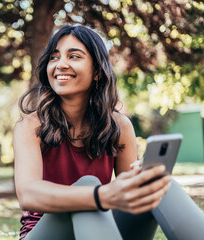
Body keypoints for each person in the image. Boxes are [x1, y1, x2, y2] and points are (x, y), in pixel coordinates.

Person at [13, 25, 204, 240]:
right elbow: (27, 194)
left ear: (96, 71)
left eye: (74, 56)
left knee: (154, 182)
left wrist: (140, 180)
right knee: (88, 184)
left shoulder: (119, 126)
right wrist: (99, 195)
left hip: (99, 230)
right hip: (46, 233)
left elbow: (131, 198)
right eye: (54, 57)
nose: (61, 65)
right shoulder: (30, 126)